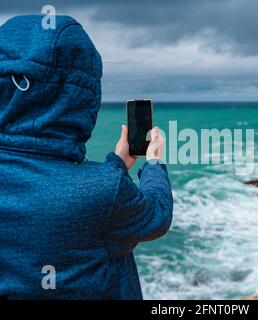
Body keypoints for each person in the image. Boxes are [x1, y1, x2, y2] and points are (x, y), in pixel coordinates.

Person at [0, 15, 173, 299]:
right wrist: (153, 162)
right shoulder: (105, 190)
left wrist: (116, 167)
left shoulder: (104, 187)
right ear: (83, 97)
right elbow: (157, 215)